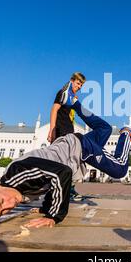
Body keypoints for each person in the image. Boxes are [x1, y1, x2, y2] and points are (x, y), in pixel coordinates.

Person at [0, 98, 131, 227]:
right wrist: (45, 206)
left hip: (77, 149)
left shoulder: (19, 173)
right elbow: (47, 182)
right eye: (2, 212)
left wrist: (53, 215)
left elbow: (60, 174)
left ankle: (125, 134)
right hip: (73, 144)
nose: (9, 205)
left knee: (120, 170)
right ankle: (76, 104)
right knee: (104, 129)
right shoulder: (16, 186)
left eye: (1, 202)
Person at [48, 72, 86, 202]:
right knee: (59, 160)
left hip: (69, 130)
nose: (79, 86)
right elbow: (54, 110)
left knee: (71, 159)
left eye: (81, 84)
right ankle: (58, 190)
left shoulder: (72, 96)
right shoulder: (63, 92)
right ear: (72, 80)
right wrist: (52, 130)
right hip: (60, 129)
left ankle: (68, 188)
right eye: (78, 83)